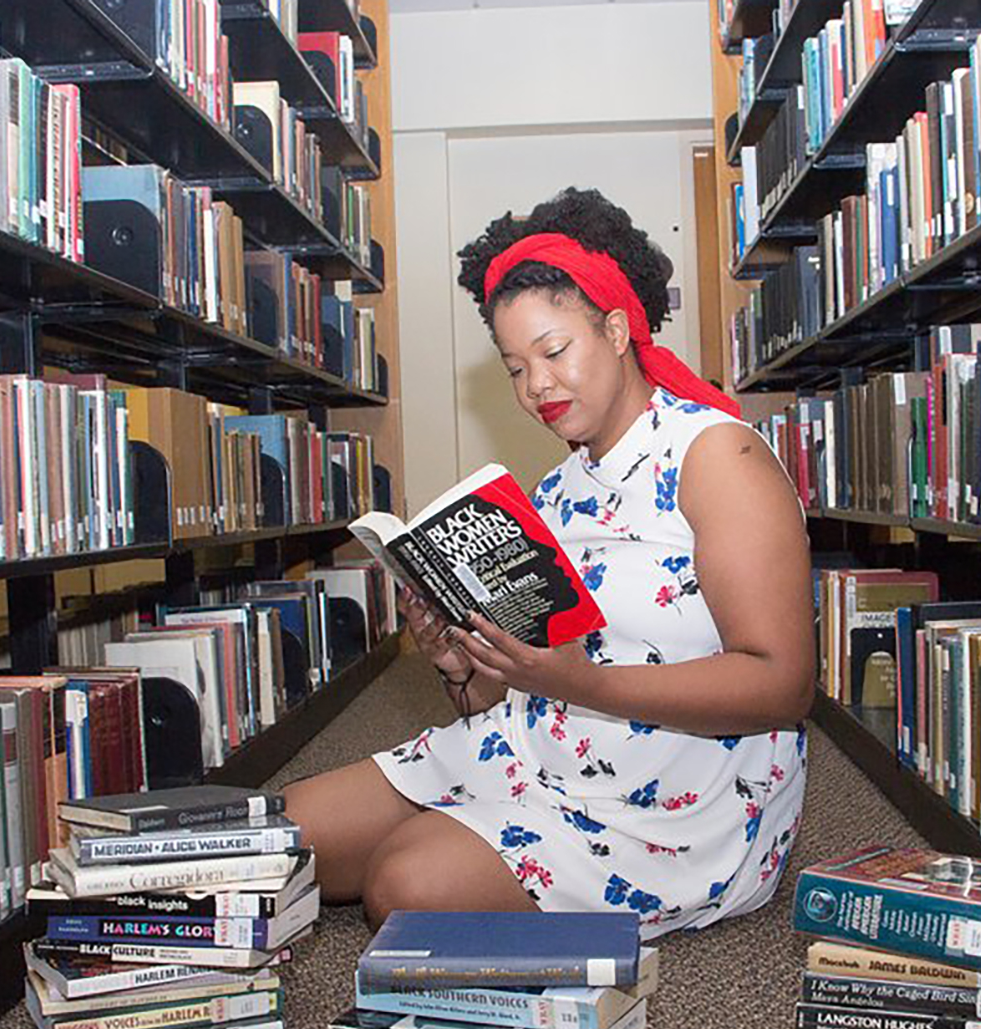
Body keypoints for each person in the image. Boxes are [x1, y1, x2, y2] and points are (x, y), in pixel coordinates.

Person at [285, 187, 813, 939]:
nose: (536, 386)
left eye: (554, 352)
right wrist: (462, 666)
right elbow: (523, 689)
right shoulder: (555, 490)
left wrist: (575, 681)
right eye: (513, 367)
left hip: (675, 800)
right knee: (283, 836)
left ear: (619, 329)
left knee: (403, 882)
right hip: (540, 745)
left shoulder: (716, 456)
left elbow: (781, 685)